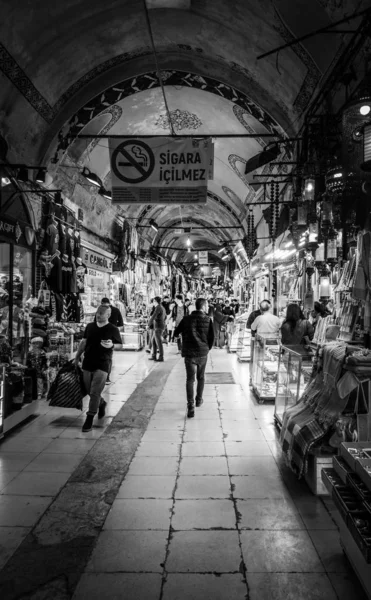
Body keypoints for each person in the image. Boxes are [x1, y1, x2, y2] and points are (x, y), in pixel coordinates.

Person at [75, 305, 122, 432]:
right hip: (88, 362)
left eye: (102, 313)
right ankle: (101, 403)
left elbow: (119, 346)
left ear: (108, 315)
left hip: (103, 364)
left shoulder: (112, 329)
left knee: (95, 391)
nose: (99, 315)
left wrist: (112, 345)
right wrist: (77, 357)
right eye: (98, 313)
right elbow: (83, 342)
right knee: (89, 390)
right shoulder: (90, 327)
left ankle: (89, 418)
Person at [174, 297, 214, 418]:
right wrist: (206, 348)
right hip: (202, 353)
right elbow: (212, 337)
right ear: (202, 306)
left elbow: (176, 333)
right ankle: (198, 400)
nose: (207, 308)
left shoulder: (186, 319)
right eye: (206, 305)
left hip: (189, 353)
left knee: (190, 380)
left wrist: (183, 338)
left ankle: (190, 405)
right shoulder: (207, 319)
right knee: (201, 377)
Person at [98, 298, 124, 382]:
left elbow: (96, 321)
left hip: (101, 334)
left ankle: (102, 375)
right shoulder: (116, 310)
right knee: (108, 356)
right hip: (111, 335)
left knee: (101, 355)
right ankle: (106, 377)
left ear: (102, 303)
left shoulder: (100, 310)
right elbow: (121, 323)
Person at [148, 296, 166, 362]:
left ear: (156, 301)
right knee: (153, 341)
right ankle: (154, 355)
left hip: (158, 327)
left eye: (153, 301)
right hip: (158, 326)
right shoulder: (159, 307)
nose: (153, 302)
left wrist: (148, 324)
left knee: (158, 342)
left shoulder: (158, 307)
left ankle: (161, 357)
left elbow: (153, 316)